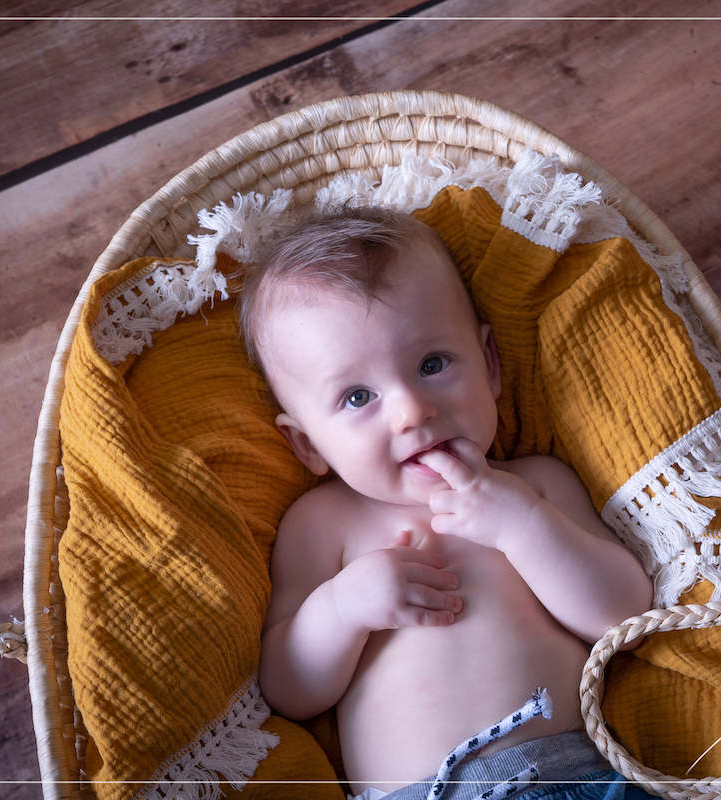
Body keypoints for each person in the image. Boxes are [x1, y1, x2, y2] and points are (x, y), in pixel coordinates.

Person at [246, 206, 655, 800]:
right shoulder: (324, 524)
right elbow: (286, 687)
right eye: (358, 396)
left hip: (563, 777)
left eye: (432, 364)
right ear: (309, 444)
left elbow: (624, 619)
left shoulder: (535, 485)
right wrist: (343, 607)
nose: (412, 410)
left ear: (489, 364)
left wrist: (522, 525)